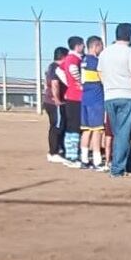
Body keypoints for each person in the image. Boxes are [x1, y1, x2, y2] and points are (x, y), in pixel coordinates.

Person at [99, 23, 131, 178]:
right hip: (128, 96)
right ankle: (117, 169)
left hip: (110, 96)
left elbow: (100, 73)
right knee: (124, 134)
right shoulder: (130, 52)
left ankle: (130, 166)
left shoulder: (105, 52)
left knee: (120, 133)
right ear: (130, 36)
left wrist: (109, 86)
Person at [56, 36, 85, 168]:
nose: (84, 47)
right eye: (82, 45)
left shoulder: (69, 58)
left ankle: (72, 154)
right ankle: (72, 157)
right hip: (76, 97)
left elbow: (59, 70)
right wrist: (78, 82)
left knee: (72, 127)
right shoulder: (74, 59)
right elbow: (72, 70)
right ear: (78, 46)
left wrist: (69, 83)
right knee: (74, 127)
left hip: (72, 96)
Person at [79, 36, 107, 171]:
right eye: (101, 46)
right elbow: (103, 79)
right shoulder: (96, 62)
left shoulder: (82, 61)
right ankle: (97, 161)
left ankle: (84, 159)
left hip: (84, 98)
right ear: (96, 46)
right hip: (96, 99)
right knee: (97, 131)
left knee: (86, 130)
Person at [44, 46, 73, 165]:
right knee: (57, 126)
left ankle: (59, 150)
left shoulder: (52, 67)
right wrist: (57, 100)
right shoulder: (56, 68)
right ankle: (53, 153)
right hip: (54, 102)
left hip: (52, 101)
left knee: (60, 126)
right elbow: (54, 83)